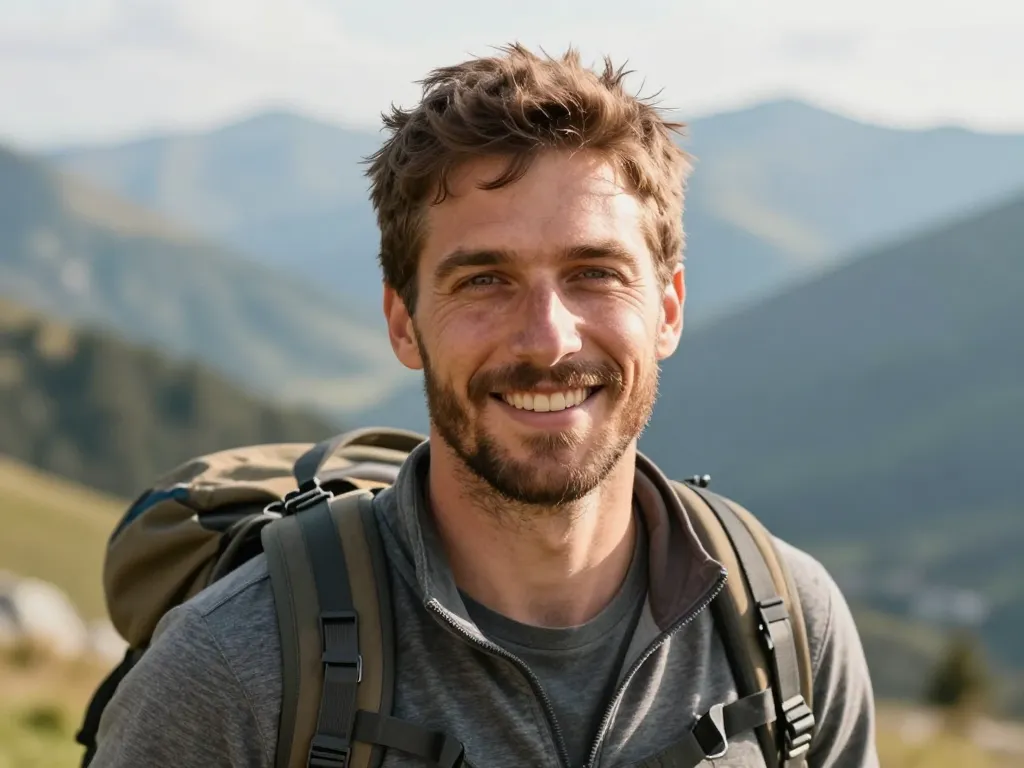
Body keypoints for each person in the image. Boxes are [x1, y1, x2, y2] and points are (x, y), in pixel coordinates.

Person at [90, 44, 878, 767]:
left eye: (595, 273)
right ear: (404, 323)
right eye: (484, 280)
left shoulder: (786, 630)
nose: (548, 340)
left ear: (667, 309)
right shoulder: (234, 668)